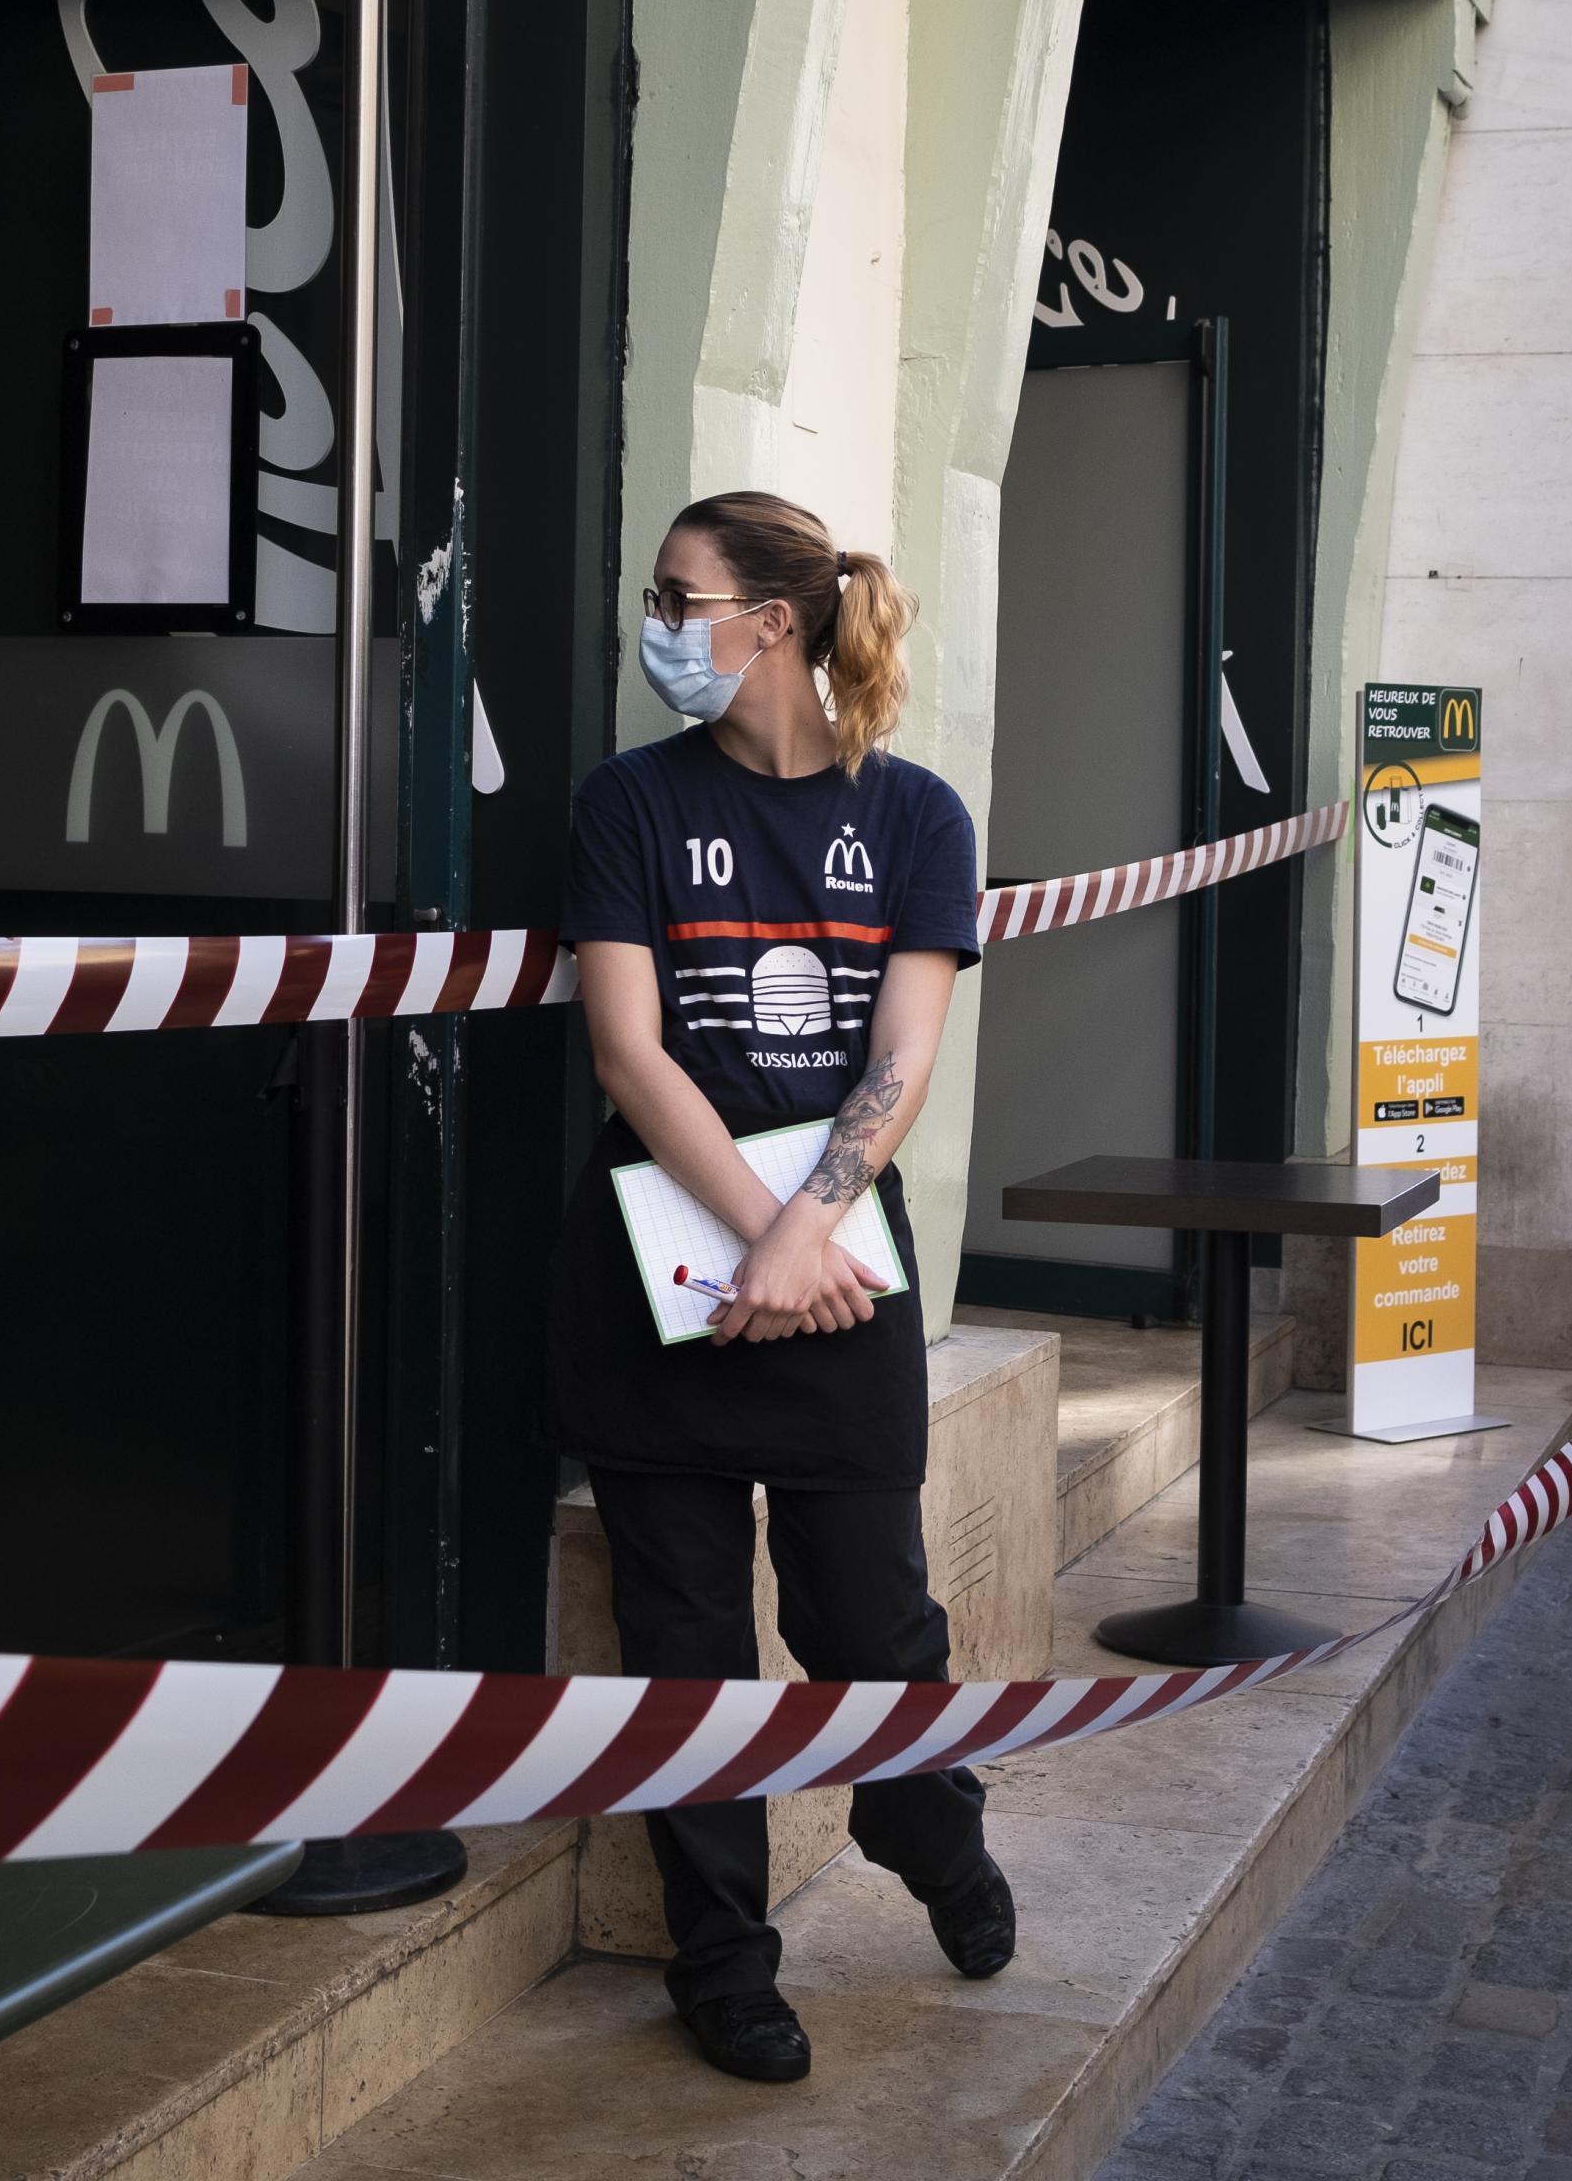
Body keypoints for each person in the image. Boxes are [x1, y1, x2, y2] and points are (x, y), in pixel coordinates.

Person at [548, 488, 1014, 2085]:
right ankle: (723, 1966)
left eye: (681, 598)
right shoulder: (627, 803)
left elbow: (903, 1054)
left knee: (873, 1623)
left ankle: (929, 1831)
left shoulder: (918, 818)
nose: (659, 625)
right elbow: (631, 1047)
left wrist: (812, 1233)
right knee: (683, 1648)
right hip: (674, 1283)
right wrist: (770, 1234)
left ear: (773, 622)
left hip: (830, 1285)